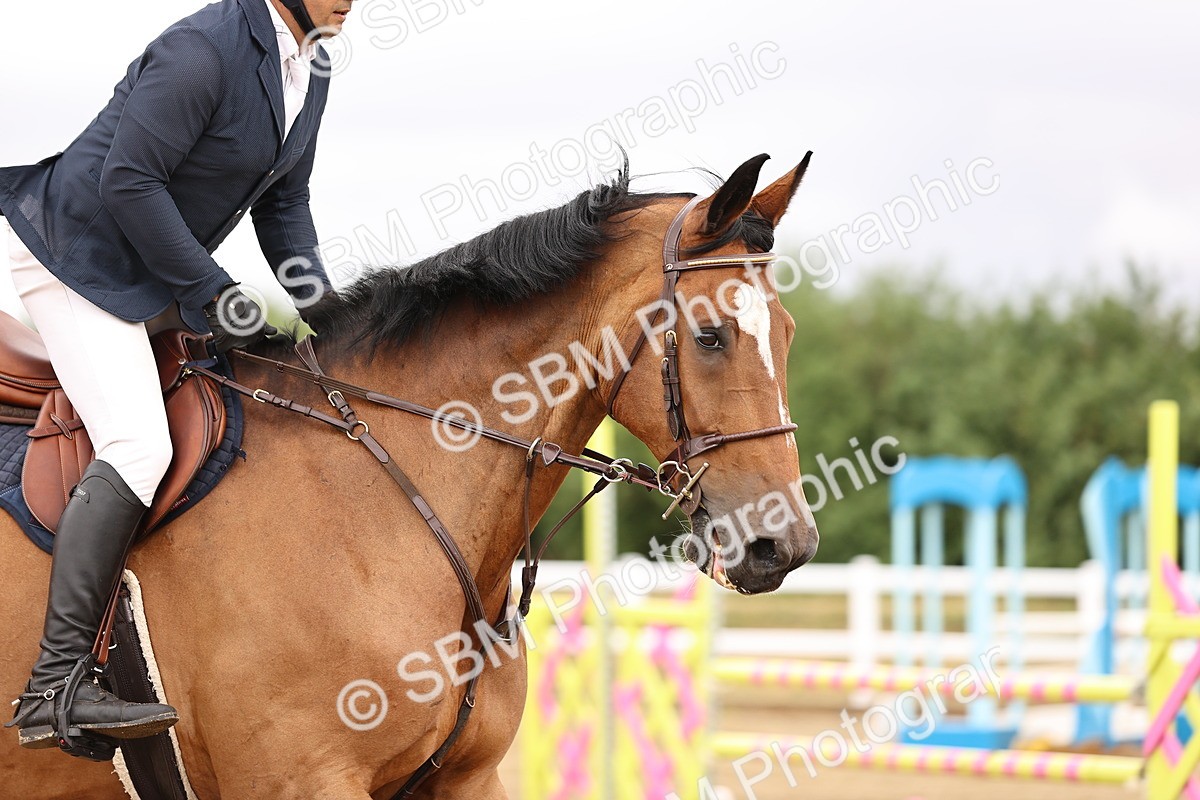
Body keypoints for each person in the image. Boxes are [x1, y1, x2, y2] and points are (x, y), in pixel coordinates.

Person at [0, 0, 351, 757]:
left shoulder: (310, 65)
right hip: (80, 257)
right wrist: (214, 290)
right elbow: (130, 181)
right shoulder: (203, 47)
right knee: (137, 444)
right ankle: (55, 686)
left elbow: (285, 206)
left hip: (152, 269)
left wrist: (336, 315)